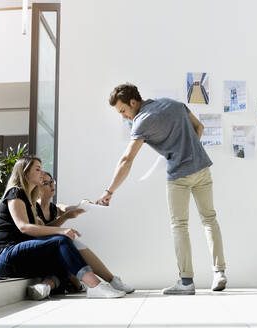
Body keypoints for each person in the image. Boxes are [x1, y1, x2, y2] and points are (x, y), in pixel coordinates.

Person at [96, 83, 227, 295]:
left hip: (178, 176)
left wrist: (109, 191)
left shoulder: (141, 121)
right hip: (202, 168)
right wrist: (188, 150)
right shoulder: (174, 104)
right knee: (209, 219)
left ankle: (186, 282)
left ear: (132, 102)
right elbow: (199, 128)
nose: (124, 117)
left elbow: (127, 159)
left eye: (123, 111)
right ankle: (219, 272)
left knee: (179, 225)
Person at [0, 156, 125, 300]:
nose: (42, 172)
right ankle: (95, 286)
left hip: (18, 257)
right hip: (3, 257)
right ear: (25, 172)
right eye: (37, 169)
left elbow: (52, 221)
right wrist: (61, 231)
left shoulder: (30, 201)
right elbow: (24, 227)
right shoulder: (16, 192)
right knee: (61, 240)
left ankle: (44, 287)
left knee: (64, 257)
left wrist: (85, 206)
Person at [37, 172, 134, 294]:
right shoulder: (33, 208)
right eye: (46, 183)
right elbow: (42, 231)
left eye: (52, 181)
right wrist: (65, 217)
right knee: (73, 242)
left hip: (57, 250)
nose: (51, 185)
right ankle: (109, 281)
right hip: (43, 253)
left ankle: (110, 281)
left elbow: (71, 209)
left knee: (73, 242)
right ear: (37, 187)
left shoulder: (54, 207)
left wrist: (84, 204)